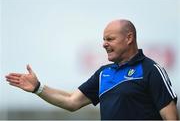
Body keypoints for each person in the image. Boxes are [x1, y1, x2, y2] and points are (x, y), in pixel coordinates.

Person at [6, 19, 179, 120]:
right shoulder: (104, 73)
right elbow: (71, 101)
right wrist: (38, 88)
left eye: (110, 39)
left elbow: (171, 118)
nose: (104, 44)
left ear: (129, 38)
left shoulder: (151, 70)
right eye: (104, 39)